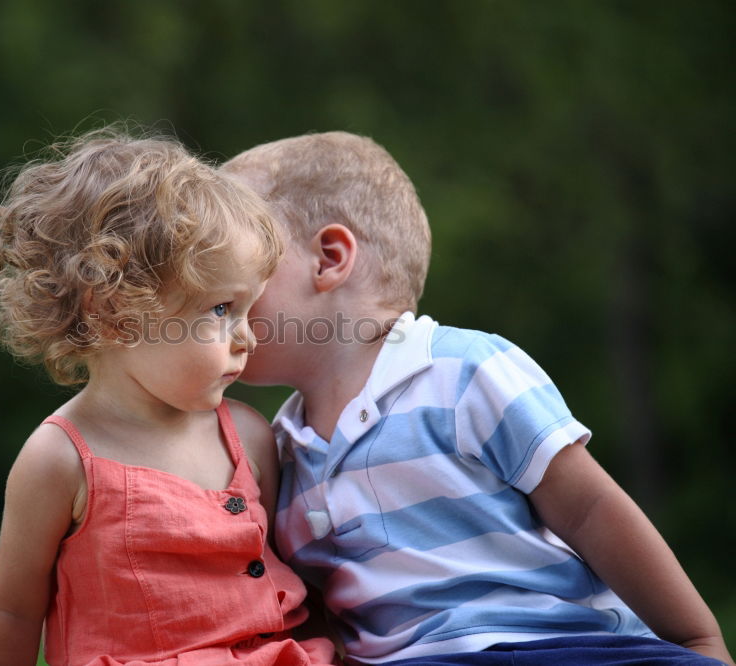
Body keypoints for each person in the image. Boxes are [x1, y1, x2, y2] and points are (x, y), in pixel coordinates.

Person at [221, 131, 733, 665]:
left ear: (328, 259)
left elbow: (589, 511)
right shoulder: (277, 453)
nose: (211, 291)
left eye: (234, 264)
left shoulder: (464, 371)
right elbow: (322, 612)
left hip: (564, 647)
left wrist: (696, 638)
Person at [0, 129, 337, 666]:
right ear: (112, 312)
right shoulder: (61, 460)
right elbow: (12, 614)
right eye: (221, 310)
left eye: (248, 310)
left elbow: (294, 576)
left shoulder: (248, 436)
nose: (247, 337)